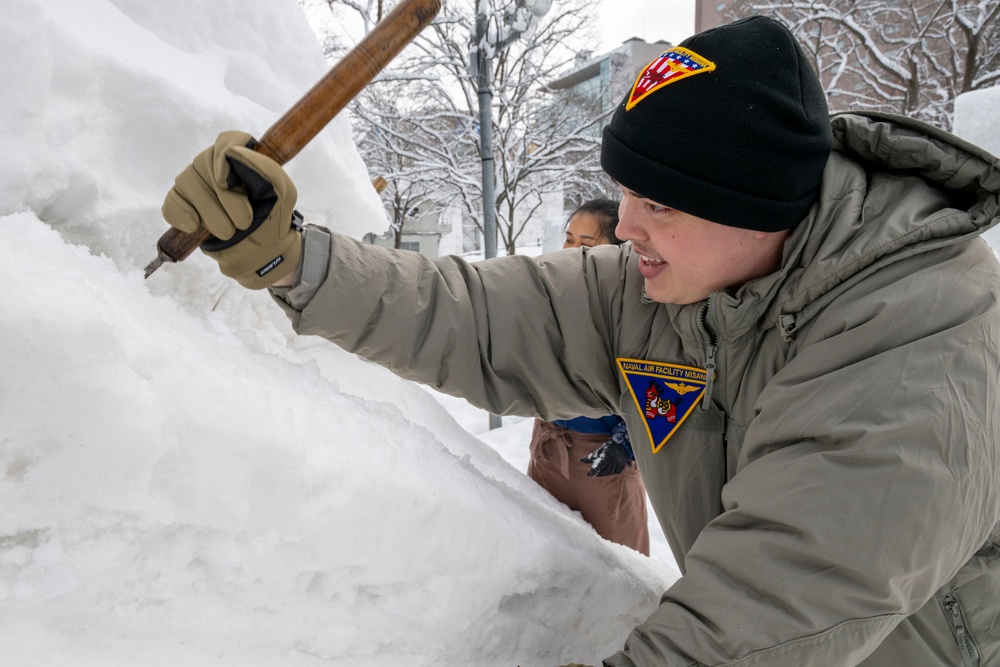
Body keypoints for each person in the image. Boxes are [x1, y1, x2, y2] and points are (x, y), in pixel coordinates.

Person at [160, 15, 1000, 667]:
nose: (628, 224)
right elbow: (477, 315)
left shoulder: (919, 328)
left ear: (761, 205)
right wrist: (292, 257)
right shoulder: (665, 282)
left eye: (663, 202)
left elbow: (792, 595)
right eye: (627, 192)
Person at [530, 199, 649, 556]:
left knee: (622, 569)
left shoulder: (642, 306)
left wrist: (624, 444)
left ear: (618, 250)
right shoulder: (554, 295)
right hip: (548, 449)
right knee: (550, 562)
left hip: (603, 459)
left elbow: (667, 385)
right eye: (568, 239)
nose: (571, 250)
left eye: (585, 243)